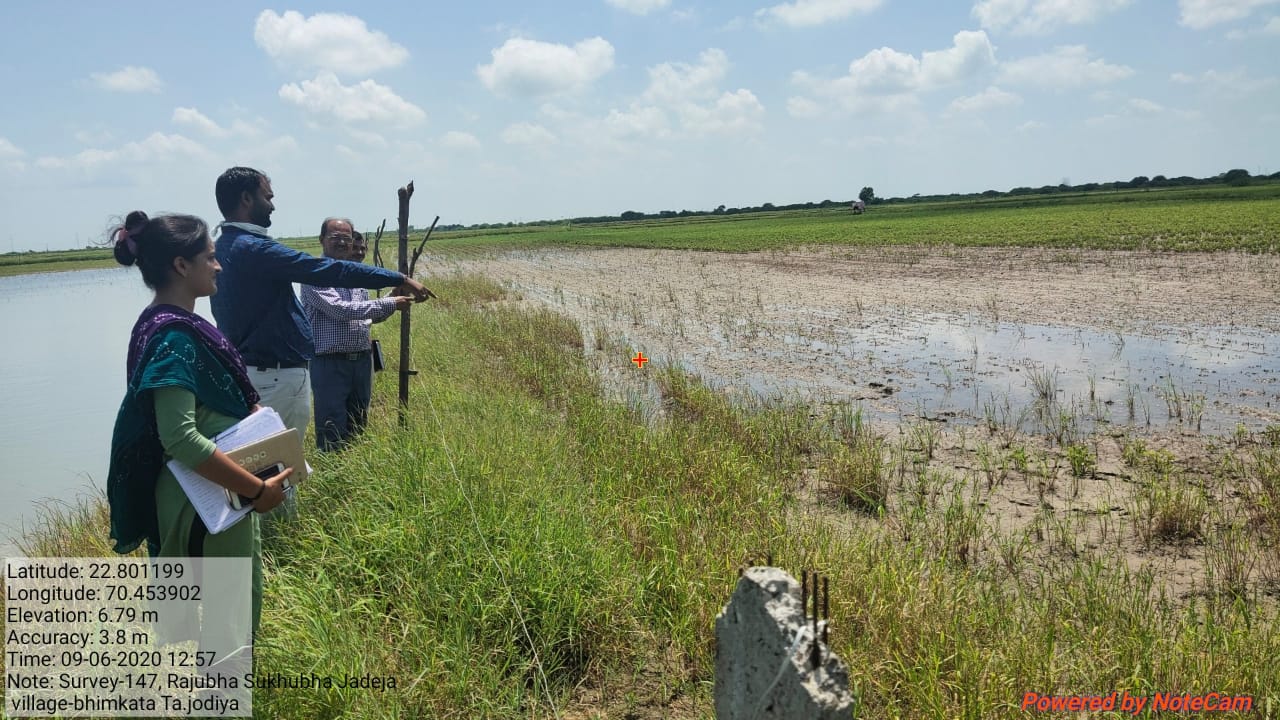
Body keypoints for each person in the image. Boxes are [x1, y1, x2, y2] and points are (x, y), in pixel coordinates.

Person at [106, 210, 293, 637]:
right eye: (209, 256)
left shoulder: (167, 323)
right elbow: (180, 438)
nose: (218, 265)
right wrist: (256, 489)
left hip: (216, 492)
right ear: (181, 265)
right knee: (229, 625)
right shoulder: (173, 336)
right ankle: (216, 704)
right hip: (207, 500)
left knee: (232, 617)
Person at [209, 167, 433, 444]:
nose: (272, 205)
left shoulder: (223, 247)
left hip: (265, 370)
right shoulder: (254, 249)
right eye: (267, 197)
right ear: (246, 199)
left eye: (347, 238)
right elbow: (330, 274)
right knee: (282, 458)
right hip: (276, 375)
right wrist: (399, 278)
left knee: (276, 455)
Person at [301, 218, 411, 451]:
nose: (342, 242)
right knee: (332, 428)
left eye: (347, 238)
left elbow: (366, 318)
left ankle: (354, 473)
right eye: (335, 237)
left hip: (360, 361)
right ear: (322, 240)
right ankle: (334, 481)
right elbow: (340, 309)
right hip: (330, 363)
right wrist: (390, 302)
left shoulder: (354, 278)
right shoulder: (315, 274)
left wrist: (393, 297)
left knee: (358, 424)